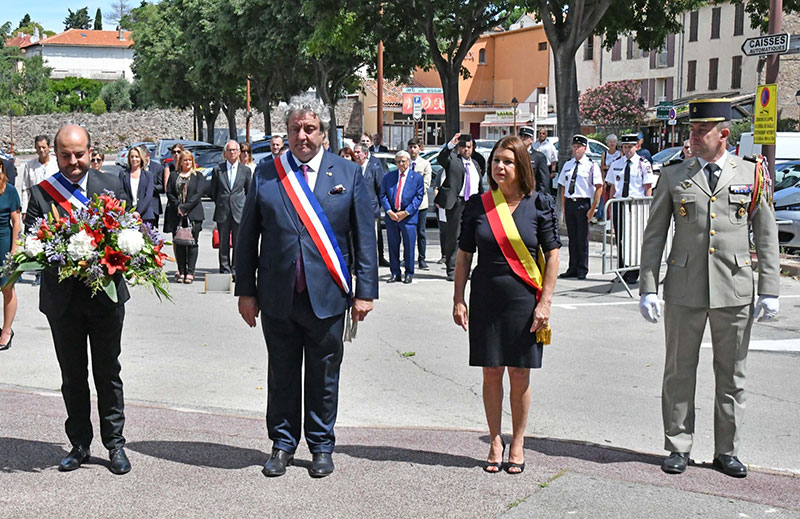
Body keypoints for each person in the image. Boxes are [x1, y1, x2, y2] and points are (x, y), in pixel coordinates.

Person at [236, 93, 378, 479]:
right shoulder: (266, 173)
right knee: (281, 373)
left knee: (323, 374)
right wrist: (245, 291)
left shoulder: (347, 174)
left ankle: (320, 445)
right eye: (296, 128)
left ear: (324, 132)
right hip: (278, 295)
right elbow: (248, 237)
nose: (302, 136)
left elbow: (365, 238)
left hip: (328, 296)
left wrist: (365, 292)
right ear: (287, 131)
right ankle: (282, 444)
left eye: (310, 128)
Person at [639, 99, 780, 478]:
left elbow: (766, 236)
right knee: (679, 370)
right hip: (684, 286)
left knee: (732, 374)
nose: (695, 137)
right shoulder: (674, 175)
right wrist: (648, 286)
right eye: (692, 131)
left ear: (724, 134)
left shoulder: (751, 175)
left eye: (703, 131)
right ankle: (678, 445)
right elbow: (654, 235)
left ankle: (727, 450)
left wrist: (770, 289)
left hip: (734, 287)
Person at [24, 124, 132, 474]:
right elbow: (33, 243)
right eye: (66, 155)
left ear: (90, 152)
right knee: (72, 375)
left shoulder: (111, 185)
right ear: (55, 155)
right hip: (63, 301)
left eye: (79, 154)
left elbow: (129, 230)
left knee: (108, 372)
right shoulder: (42, 194)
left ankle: (115, 444)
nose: (73, 161)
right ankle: (79, 444)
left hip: (105, 297)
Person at [453, 136, 560, 474]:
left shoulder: (539, 204)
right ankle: (495, 439)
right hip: (486, 296)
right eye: (496, 160)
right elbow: (464, 255)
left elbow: (554, 254)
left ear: (522, 166)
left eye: (508, 162)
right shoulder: (478, 205)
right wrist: (458, 298)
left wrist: (545, 303)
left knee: (519, 373)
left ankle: (518, 440)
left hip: (525, 300)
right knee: (491, 371)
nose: (500, 167)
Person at [605, 134, 656, 284]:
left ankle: (633, 271)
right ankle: (622, 269)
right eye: (625, 147)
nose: (627, 150)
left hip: (635, 205)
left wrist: (647, 207)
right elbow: (613, 187)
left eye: (630, 147)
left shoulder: (643, 164)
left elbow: (648, 187)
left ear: (637, 147)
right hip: (620, 204)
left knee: (634, 239)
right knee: (620, 239)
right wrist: (611, 205)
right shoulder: (617, 163)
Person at [435, 132, 486, 281]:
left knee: (471, 236)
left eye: (469, 147)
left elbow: (478, 185)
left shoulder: (475, 164)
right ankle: (452, 270)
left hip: (473, 202)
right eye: (463, 147)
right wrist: (451, 144)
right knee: (454, 236)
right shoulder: (453, 160)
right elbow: (441, 158)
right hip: (457, 202)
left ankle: (467, 269)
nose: (466, 150)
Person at [557, 135, 603, 280]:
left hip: (583, 203)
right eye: (574, 147)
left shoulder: (591, 165)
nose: (576, 150)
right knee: (572, 237)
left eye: (579, 147)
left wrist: (592, 209)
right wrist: (564, 206)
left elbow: (599, 187)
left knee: (582, 238)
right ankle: (572, 267)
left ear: (584, 148)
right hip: (570, 202)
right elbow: (563, 186)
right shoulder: (568, 164)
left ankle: (582, 268)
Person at [380, 150, 424, 284]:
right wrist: (389, 211)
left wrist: (406, 212)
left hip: (408, 218)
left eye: (403, 161)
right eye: (398, 161)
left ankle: (409, 272)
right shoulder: (389, 177)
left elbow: (419, 196)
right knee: (393, 246)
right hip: (392, 217)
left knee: (409, 246)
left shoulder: (416, 177)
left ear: (409, 162)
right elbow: (383, 195)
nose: (401, 164)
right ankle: (395, 272)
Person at [209, 140, 252, 276]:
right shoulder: (218, 170)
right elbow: (213, 191)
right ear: (225, 153)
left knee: (239, 243)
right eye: (230, 150)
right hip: (223, 211)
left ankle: (236, 270)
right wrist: (221, 202)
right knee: (223, 243)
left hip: (239, 211)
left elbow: (248, 191)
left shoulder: (245, 170)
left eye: (235, 150)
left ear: (239, 152)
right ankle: (224, 270)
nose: (232, 152)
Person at [164, 150, 206, 284]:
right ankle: (181, 271)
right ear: (180, 162)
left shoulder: (198, 176)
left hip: (194, 214)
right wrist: (178, 206)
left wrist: (185, 207)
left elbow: (198, 194)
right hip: (176, 213)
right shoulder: (173, 176)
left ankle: (191, 272)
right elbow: (169, 192)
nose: (187, 162)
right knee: (180, 243)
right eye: (185, 160)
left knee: (192, 243)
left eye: (189, 160)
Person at [354, 144, 388, 267]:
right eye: (355, 152)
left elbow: (380, 188)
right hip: (355, 210)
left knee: (372, 238)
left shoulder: (374, 167)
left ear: (365, 154)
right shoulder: (352, 167)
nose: (356, 155)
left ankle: (373, 262)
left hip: (371, 209)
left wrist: (378, 205)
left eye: (358, 152)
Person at [0, 159, 21, 351]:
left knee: (7, 287)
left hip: (3, 242)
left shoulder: (10, 190)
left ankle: (6, 331)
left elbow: (16, 222)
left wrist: (14, 249)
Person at [18, 135, 59, 222]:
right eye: (38, 147)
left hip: (54, 205)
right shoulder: (29, 166)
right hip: (35, 207)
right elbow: (25, 189)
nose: (41, 150)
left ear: (49, 147)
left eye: (43, 147)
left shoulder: (57, 164)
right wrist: (24, 210)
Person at [407, 138, 433, 270]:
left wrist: (414, 196)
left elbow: (426, 184)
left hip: (421, 204)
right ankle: (408, 258)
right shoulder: (404, 162)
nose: (412, 150)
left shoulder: (425, 164)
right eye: (410, 147)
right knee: (407, 232)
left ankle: (422, 259)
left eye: (415, 147)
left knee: (421, 233)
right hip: (406, 205)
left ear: (419, 148)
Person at [119, 146, 158, 227]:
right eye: (132, 157)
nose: (134, 159)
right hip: (128, 214)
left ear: (141, 158)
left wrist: (138, 212)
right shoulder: (123, 174)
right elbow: (122, 193)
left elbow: (148, 196)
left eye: (137, 157)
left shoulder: (148, 175)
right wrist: (130, 211)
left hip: (145, 215)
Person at [518, 126, 551, 200]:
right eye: (521, 136)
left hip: (531, 196)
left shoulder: (538, 157)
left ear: (531, 140)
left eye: (525, 137)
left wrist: (539, 198)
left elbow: (543, 181)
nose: (522, 139)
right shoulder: (514, 155)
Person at [597, 134, 622, 221]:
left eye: (614, 142)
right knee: (605, 199)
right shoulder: (605, 154)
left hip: (617, 179)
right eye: (610, 142)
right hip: (607, 178)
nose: (612, 143)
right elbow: (602, 167)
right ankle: (605, 218)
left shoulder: (620, 154)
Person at [531, 128, 558, 194]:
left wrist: (553, 171)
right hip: (535, 168)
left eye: (543, 133)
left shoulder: (550, 146)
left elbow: (553, 160)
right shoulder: (534, 145)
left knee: (546, 187)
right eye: (540, 133)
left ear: (546, 135)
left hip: (546, 168)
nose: (541, 135)